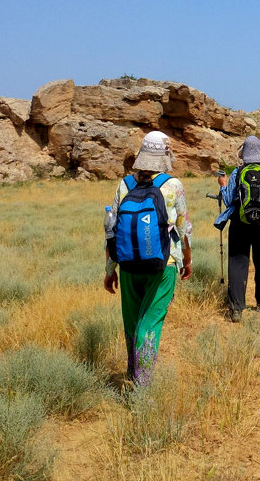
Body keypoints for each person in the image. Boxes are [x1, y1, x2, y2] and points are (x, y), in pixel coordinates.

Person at [103, 131, 192, 385]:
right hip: (164, 265)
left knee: (131, 323)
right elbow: (184, 229)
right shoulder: (173, 185)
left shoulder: (125, 185)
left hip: (128, 265)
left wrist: (110, 269)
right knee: (151, 322)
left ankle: (133, 374)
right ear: (165, 154)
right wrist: (187, 259)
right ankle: (142, 386)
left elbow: (111, 230)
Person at [216, 135, 260, 322]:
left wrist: (222, 186)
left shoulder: (238, 173)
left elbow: (229, 199)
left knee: (238, 263)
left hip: (240, 224)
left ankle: (237, 308)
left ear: (244, 153)